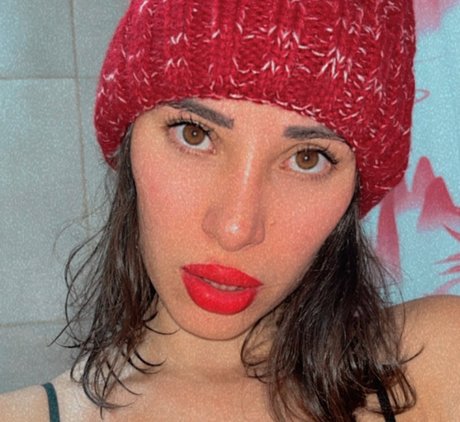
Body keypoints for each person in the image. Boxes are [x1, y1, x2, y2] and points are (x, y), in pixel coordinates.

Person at [1, 0, 459, 420]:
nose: (236, 227)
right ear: (129, 143)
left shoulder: (439, 366)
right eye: (194, 134)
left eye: (308, 158)